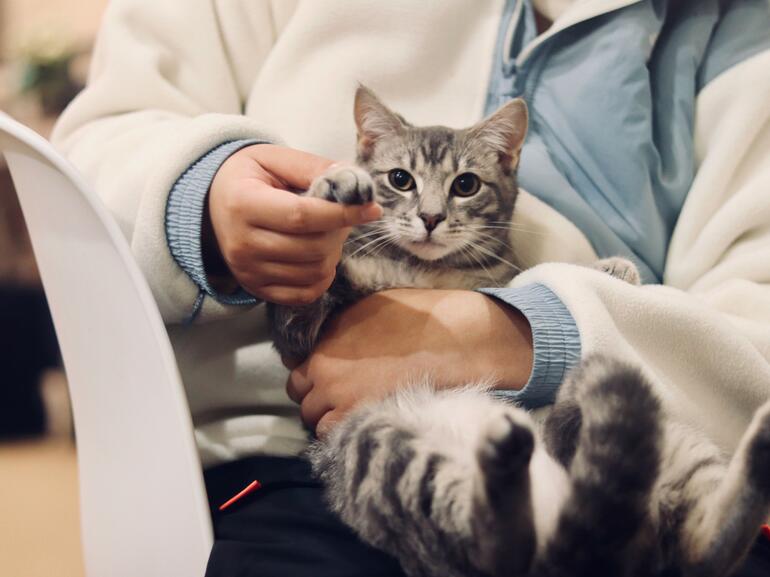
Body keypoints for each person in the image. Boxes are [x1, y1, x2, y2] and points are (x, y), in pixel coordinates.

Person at [52, 0, 770, 575]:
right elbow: (94, 147)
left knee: (640, 438)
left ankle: (693, 519)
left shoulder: (741, 29)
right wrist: (205, 196)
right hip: (289, 455)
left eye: (459, 188)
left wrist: (534, 332)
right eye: (400, 181)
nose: (428, 213)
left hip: (587, 432)